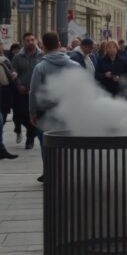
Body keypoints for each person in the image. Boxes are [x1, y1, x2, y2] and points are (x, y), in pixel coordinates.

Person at [29, 32, 81, 182]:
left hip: (46, 113)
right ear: (59, 44)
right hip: (68, 111)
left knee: (47, 143)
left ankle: (50, 172)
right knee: (68, 142)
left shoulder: (40, 67)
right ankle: (69, 172)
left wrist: (32, 112)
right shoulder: (75, 65)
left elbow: (34, 92)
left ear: (43, 46)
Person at [11, 33, 42, 149]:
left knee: (33, 116)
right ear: (23, 42)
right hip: (23, 92)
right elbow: (13, 73)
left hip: (36, 92)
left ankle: (30, 139)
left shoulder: (41, 55)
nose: (30, 42)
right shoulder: (18, 57)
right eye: (28, 40)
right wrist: (19, 85)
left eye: (32, 40)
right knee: (21, 114)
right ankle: (28, 132)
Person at [0, 43, 19, 159]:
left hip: (4, 94)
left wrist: (14, 75)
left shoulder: (4, 60)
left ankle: (1, 150)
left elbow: (10, 74)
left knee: (1, 121)